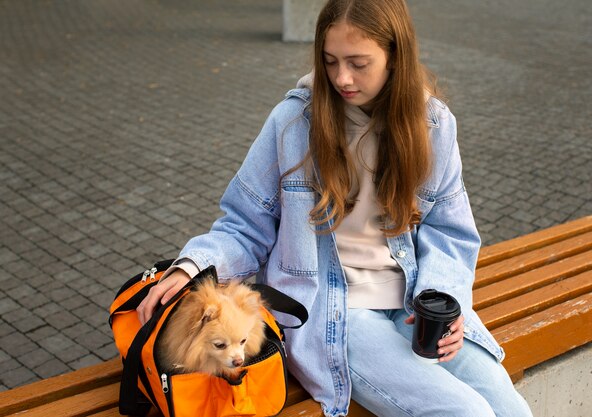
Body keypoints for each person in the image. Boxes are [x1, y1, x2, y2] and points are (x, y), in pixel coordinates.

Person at [137, 0, 533, 416]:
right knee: (466, 412)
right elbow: (244, 225)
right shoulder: (294, 123)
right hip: (333, 315)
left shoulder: (432, 124)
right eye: (330, 61)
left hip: (413, 305)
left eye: (359, 63)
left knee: (512, 411)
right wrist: (192, 265)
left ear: (395, 56)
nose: (342, 78)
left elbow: (449, 231)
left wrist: (443, 299)